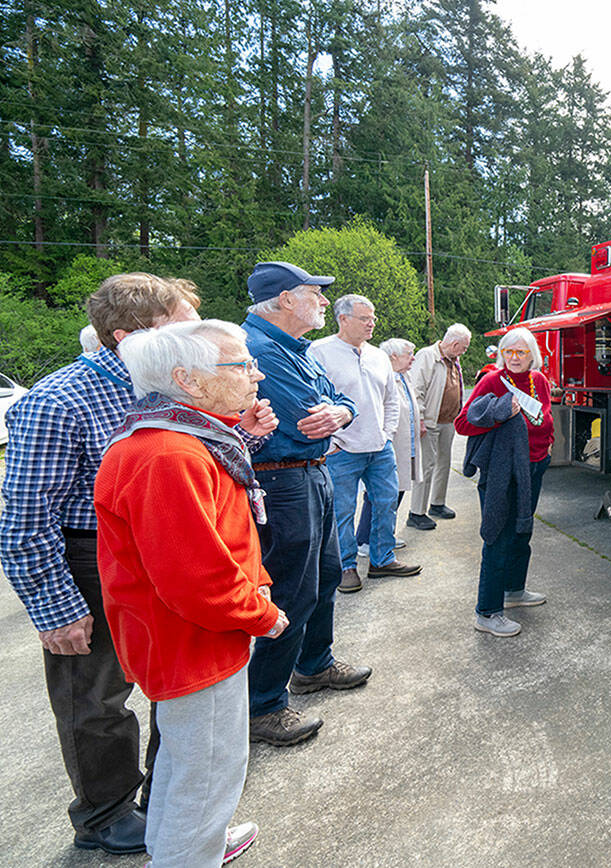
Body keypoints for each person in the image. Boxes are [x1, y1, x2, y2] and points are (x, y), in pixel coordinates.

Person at [0, 273, 270, 856]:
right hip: (90, 562)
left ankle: (174, 818)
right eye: (182, 326)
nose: (196, 336)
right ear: (127, 337)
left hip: (159, 557)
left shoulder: (175, 398)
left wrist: (240, 435)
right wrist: (56, 610)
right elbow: (23, 520)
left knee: (179, 714)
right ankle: (107, 814)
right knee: (96, 702)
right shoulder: (58, 400)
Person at [96, 320, 287, 867]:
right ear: (188, 380)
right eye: (241, 366)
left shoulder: (183, 438)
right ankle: (187, 851)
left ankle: (189, 841)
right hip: (194, 642)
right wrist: (261, 615)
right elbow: (196, 579)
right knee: (206, 771)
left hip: (187, 639)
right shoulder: (169, 456)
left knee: (187, 762)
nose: (256, 374)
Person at [242, 261, 371, 747]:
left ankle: (314, 665)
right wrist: (334, 412)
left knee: (327, 574)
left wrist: (340, 411)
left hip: (311, 473)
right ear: (285, 300)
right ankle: (264, 704)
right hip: (282, 480)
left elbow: (336, 402)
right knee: (293, 589)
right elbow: (301, 418)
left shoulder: (294, 348)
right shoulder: (257, 349)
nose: (322, 301)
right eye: (314, 293)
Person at [309, 294, 419, 592]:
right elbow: (310, 401)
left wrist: (386, 434)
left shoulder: (378, 356)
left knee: (386, 504)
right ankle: (345, 566)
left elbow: (390, 400)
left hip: (379, 447)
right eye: (365, 318)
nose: (372, 323)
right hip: (341, 450)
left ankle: (382, 560)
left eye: (373, 318)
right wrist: (332, 442)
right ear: (343, 319)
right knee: (342, 512)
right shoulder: (318, 353)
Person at [454, 326, 553, 637]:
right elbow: (462, 423)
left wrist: (547, 447)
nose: (513, 357)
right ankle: (487, 611)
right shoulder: (491, 381)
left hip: (534, 468)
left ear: (531, 356)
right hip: (502, 473)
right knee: (497, 537)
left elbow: (545, 417)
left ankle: (513, 590)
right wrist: (498, 413)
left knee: (522, 532)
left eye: (520, 352)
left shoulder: (540, 381)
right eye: (508, 351)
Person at [356, 339, 424, 557]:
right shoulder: (383, 377)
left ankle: (386, 536)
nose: (413, 358)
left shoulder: (404, 376)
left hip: (406, 444)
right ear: (393, 356)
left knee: (397, 491)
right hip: (388, 446)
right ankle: (365, 540)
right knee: (378, 495)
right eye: (408, 354)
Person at [409, 323, 471, 528]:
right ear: (454, 344)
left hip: (448, 420)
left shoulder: (454, 359)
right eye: (464, 347)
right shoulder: (427, 356)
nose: (465, 351)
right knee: (426, 466)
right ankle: (416, 512)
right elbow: (416, 389)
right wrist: (419, 419)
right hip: (430, 421)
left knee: (444, 463)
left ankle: (437, 502)